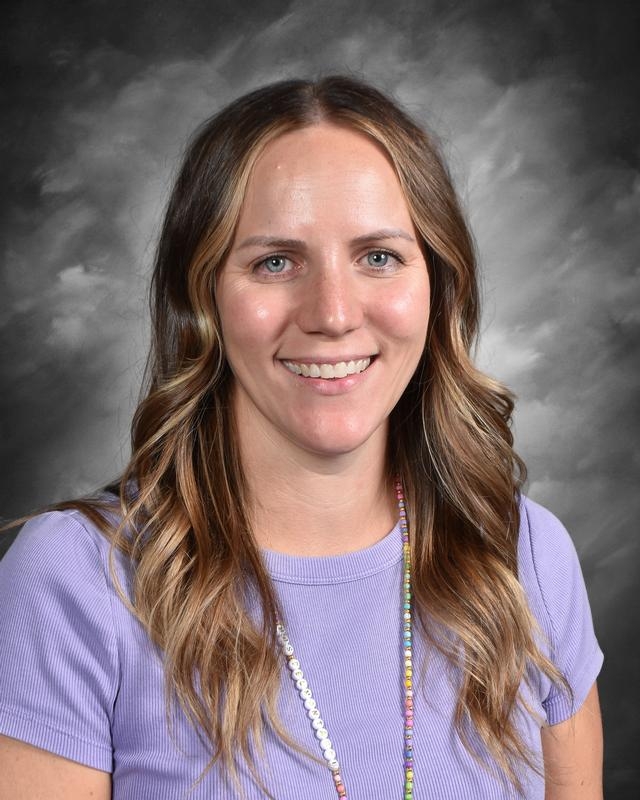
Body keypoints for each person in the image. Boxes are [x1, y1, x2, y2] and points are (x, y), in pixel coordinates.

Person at [0, 76, 603, 800]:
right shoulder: (77, 580)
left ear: (439, 285)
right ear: (203, 300)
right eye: (275, 262)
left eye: (378, 255)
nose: (333, 313)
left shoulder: (524, 558)